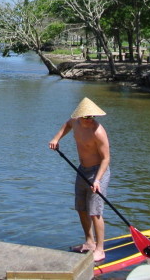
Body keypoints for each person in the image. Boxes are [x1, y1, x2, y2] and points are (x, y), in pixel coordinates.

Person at [48, 97, 111, 263]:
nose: (90, 120)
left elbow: (106, 159)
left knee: (95, 212)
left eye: (92, 117)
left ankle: (100, 249)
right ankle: (89, 242)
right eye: (87, 117)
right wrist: (56, 139)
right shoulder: (75, 123)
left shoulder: (98, 131)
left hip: (98, 173)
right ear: (80, 116)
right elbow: (66, 125)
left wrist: (97, 181)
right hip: (82, 170)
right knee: (81, 208)